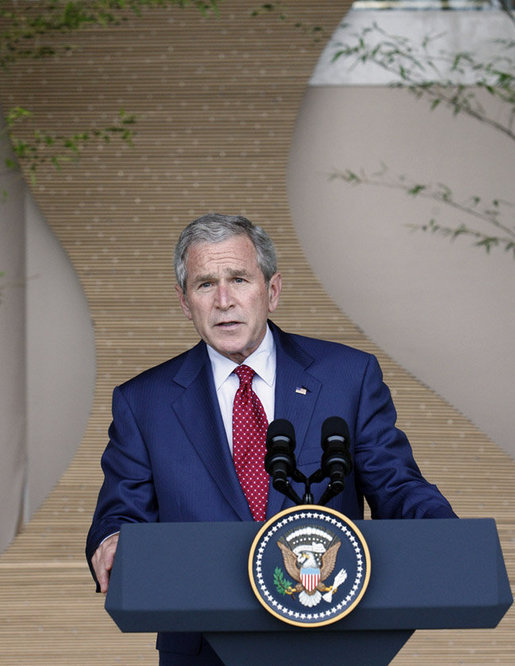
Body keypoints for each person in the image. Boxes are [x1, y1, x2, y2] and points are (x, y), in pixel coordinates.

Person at [86, 213, 457, 664]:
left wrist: (447, 536)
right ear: (185, 302)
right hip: (203, 649)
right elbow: (121, 513)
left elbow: (396, 485)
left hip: (331, 633)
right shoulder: (143, 401)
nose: (224, 301)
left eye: (239, 279)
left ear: (272, 291)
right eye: (205, 285)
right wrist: (112, 539)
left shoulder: (347, 377)